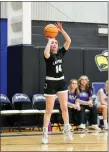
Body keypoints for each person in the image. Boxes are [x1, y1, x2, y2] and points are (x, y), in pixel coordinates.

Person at [42, 22, 72, 144]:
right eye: (52, 43)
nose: (54, 44)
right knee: (48, 110)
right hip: (50, 83)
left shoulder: (61, 52)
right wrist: (49, 39)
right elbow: (45, 52)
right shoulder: (47, 55)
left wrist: (61, 30)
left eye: (55, 42)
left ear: (58, 45)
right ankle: (44, 134)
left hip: (61, 82)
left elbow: (69, 41)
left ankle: (67, 129)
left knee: (64, 107)